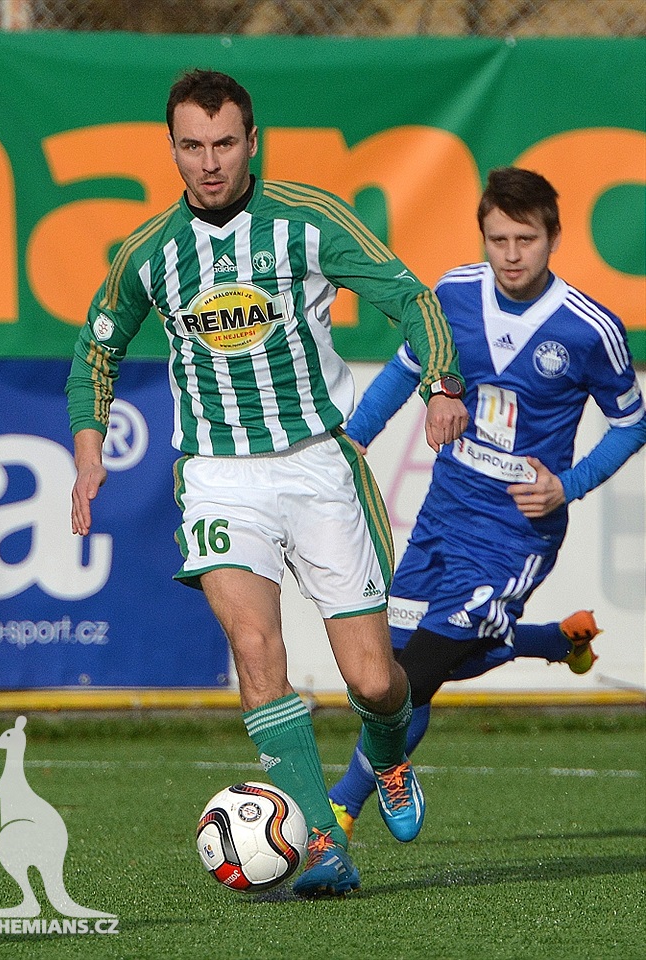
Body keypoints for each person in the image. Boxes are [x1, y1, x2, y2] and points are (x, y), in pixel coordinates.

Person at [65, 69, 469, 897]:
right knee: (256, 648)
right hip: (217, 478)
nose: (208, 163)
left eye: (223, 144)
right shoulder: (151, 254)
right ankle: (322, 842)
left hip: (320, 465)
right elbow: (96, 349)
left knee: (372, 679)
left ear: (253, 141)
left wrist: (444, 385)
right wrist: (88, 444)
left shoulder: (308, 222)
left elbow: (410, 296)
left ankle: (386, 754)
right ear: (171, 148)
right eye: (191, 146)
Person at [329, 167, 646, 840]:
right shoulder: (453, 294)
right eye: (497, 238)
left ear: (553, 237)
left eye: (525, 239)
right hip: (443, 513)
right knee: (390, 667)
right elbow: (406, 370)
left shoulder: (590, 329)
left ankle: (338, 816)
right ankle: (554, 640)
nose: (510, 254)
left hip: (515, 534)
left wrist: (571, 483)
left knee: (414, 676)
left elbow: (632, 421)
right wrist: (352, 441)